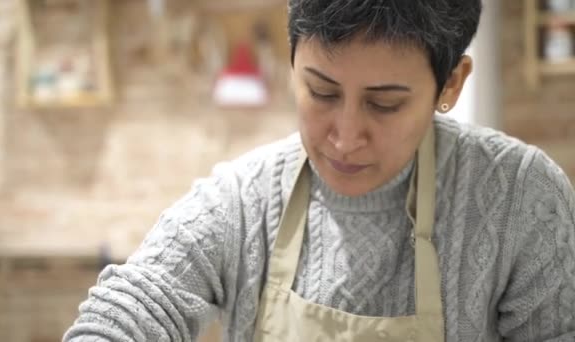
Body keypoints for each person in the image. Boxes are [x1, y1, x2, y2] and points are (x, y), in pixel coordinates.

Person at [64, 0, 575, 341]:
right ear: (292, 63)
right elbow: (134, 305)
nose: (345, 136)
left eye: (385, 104)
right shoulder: (244, 199)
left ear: (451, 84)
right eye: (322, 92)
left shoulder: (521, 199)